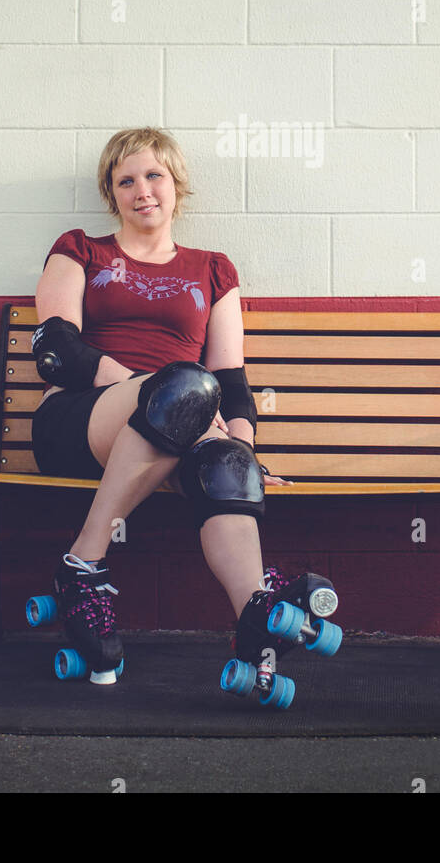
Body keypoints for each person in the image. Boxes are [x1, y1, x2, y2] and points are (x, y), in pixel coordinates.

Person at [29, 125, 324, 687]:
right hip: (80, 420)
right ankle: (82, 565)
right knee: (185, 387)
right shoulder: (80, 251)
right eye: (126, 180)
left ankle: (256, 617)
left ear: (176, 184)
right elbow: (56, 350)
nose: (142, 190)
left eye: (153, 175)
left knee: (229, 460)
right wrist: (157, 388)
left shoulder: (212, 270)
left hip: (183, 421)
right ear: (110, 193)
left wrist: (238, 444)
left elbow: (231, 381)